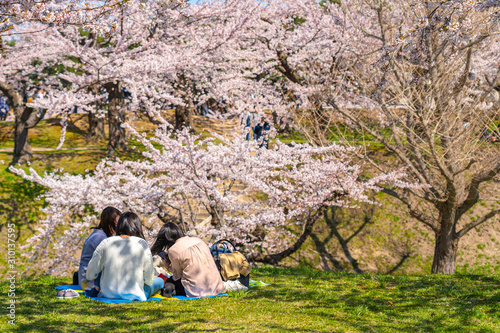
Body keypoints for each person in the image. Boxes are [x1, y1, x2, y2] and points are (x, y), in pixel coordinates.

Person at [86, 212, 164, 301]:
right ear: (137, 226)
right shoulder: (141, 243)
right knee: (160, 281)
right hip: (135, 294)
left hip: (108, 294)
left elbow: (90, 274)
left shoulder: (106, 242)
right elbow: (149, 280)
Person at [151, 222, 224, 297]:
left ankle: (170, 291)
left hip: (197, 290)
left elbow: (177, 276)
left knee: (170, 281)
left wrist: (167, 267)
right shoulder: (199, 240)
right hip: (216, 286)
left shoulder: (173, 250)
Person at [78, 207, 121, 292]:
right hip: (88, 280)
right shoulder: (100, 237)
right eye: (116, 225)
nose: (118, 228)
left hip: (87, 275)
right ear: (109, 223)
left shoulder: (99, 234)